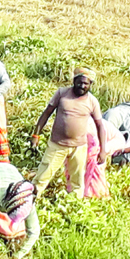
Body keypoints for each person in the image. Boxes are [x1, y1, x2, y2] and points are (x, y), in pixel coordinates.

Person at [29, 68, 108, 198]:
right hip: (57, 144)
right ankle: (32, 198)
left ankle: (74, 202)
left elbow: (100, 126)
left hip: (79, 147)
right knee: (44, 174)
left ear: (90, 85)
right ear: (74, 81)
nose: (82, 86)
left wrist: (103, 150)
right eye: (79, 82)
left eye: (86, 84)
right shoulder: (62, 93)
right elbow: (46, 113)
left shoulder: (92, 101)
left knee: (77, 179)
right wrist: (36, 135)